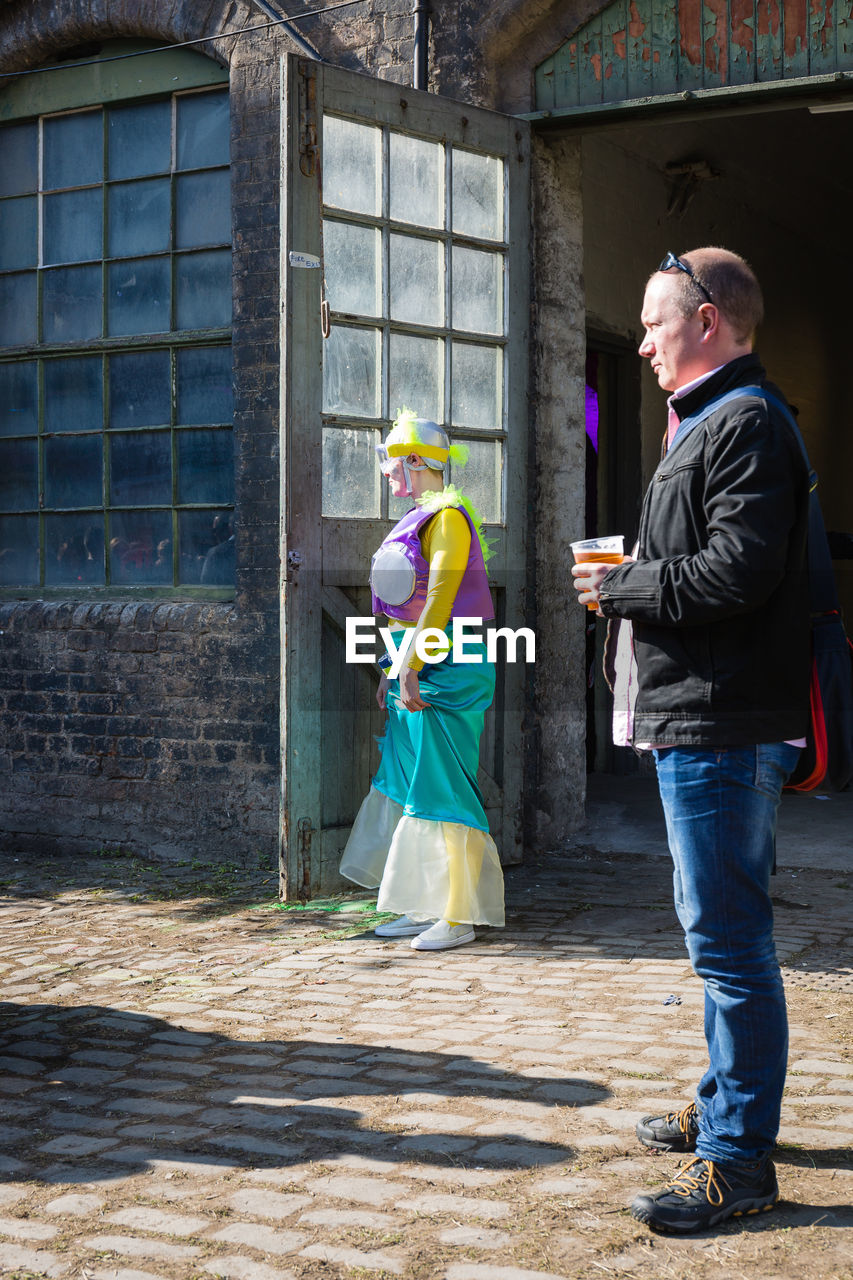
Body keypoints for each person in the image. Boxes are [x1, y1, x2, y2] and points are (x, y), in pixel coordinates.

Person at [572, 248, 810, 1233]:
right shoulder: (711, 420)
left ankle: (737, 1165)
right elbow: (711, 562)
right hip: (699, 719)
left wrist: (616, 584)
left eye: (651, 322)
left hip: (720, 725)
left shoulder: (747, 421)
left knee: (729, 943)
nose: (639, 343)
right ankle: (724, 1105)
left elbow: (734, 576)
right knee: (719, 936)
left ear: (705, 319)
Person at [339, 409, 505, 951]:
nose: (386, 473)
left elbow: (439, 598)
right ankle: (421, 904)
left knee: (441, 784)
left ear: (415, 461)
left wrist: (411, 662)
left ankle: (456, 915)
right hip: (417, 661)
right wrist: (394, 666)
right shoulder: (417, 516)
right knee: (411, 784)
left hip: (450, 664)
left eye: (391, 462)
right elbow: (403, 607)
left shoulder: (448, 517)